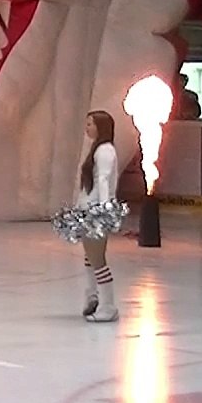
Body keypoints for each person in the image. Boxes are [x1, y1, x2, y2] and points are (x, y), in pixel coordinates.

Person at [76, 110, 119, 323]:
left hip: (96, 211)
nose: (87, 128)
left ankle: (108, 306)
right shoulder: (98, 148)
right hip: (89, 209)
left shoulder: (104, 150)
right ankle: (92, 296)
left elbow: (103, 180)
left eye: (90, 124)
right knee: (89, 256)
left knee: (97, 259)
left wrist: (102, 209)